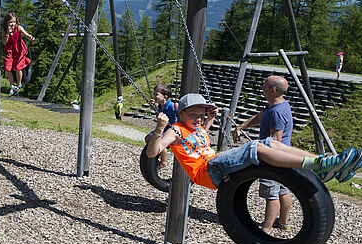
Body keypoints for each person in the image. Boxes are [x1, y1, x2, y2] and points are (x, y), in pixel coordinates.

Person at [145, 93, 362, 194]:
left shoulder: (197, 128)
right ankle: (319, 166)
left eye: (201, 115)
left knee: (269, 142)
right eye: (194, 114)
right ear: (181, 113)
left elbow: (201, 133)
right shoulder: (175, 131)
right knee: (256, 147)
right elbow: (153, 152)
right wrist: (158, 128)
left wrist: (208, 117)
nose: (199, 119)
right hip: (208, 171)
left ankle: (323, 164)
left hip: (216, 165)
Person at [232, 75, 294, 233]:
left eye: (264, 85)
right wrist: (241, 127)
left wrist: (259, 149)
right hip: (284, 157)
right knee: (283, 190)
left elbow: (275, 140)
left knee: (271, 193)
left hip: (274, 159)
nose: (262, 86)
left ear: (273, 90)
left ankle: (266, 229)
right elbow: (260, 116)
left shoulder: (277, 112)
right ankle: (283, 223)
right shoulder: (276, 105)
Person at [143, 84, 178, 172]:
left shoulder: (171, 106)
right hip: (162, 128)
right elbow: (159, 111)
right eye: (154, 94)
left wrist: (178, 109)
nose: (154, 96)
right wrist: (155, 105)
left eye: (156, 94)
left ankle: (163, 161)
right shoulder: (160, 105)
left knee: (158, 142)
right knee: (147, 138)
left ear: (165, 97)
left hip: (169, 130)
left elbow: (179, 113)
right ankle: (156, 157)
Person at [1, 13, 35, 96]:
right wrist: (7, 34)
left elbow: (26, 34)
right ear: (6, 23)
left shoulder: (18, 28)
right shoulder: (4, 29)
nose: (13, 24)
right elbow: (4, 42)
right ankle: (12, 85)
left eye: (14, 22)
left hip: (19, 50)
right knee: (8, 68)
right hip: (9, 50)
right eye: (10, 22)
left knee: (18, 67)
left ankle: (18, 84)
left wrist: (30, 37)